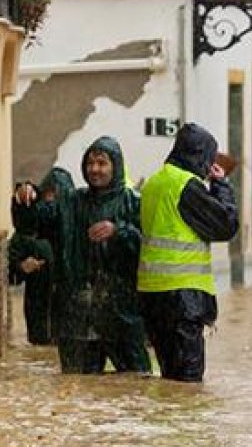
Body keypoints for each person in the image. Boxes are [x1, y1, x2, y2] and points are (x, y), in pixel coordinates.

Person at [14, 137, 151, 374]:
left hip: (122, 313)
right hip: (76, 315)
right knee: (77, 385)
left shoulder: (133, 202)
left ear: (115, 166)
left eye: (102, 163)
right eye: (90, 163)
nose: (95, 169)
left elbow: (147, 246)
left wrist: (118, 231)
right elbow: (32, 225)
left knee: (136, 381)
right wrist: (26, 197)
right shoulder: (70, 203)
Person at [138, 123, 238, 382]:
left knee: (169, 378)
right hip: (183, 297)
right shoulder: (185, 186)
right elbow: (225, 225)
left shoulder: (154, 183)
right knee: (188, 383)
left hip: (151, 295)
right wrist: (221, 185)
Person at [8, 182, 54, 345]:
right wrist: (22, 267)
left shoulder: (67, 231)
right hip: (39, 321)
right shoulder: (24, 237)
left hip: (66, 321)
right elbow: (9, 274)